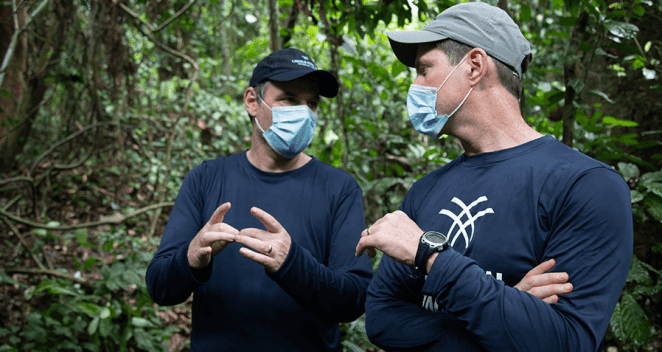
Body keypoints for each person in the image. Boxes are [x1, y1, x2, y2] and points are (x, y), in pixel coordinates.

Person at [355, 2, 633, 351]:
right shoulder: (425, 191)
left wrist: (430, 256)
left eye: (425, 69)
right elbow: (382, 321)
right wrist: (507, 309)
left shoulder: (587, 186)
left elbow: (565, 341)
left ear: (473, 66)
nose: (415, 85)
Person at [146, 48, 373, 351]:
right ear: (252, 101)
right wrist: (192, 257)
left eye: (313, 104)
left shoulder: (340, 188)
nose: (304, 113)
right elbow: (160, 286)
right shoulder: (206, 178)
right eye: (290, 99)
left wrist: (292, 264)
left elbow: (355, 298)